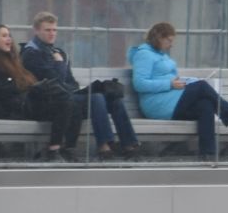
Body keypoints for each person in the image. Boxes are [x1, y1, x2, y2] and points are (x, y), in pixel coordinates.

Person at [129, 22, 228, 161]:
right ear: (159, 37)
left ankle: (208, 153)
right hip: (156, 104)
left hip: (170, 100)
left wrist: (186, 81)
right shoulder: (144, 55)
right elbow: (139, 84)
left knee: (205, 105)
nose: (171, 44)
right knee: (202, 86)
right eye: (169, 40)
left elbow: (171, 79)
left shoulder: (161, 54)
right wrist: (169, 84)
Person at [21, 13, 141, 161]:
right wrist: (59, 64)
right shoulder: (31, 53)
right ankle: (104, 147)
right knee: (96, 99)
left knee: (112, 97)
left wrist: (77, 89)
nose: (52, 34)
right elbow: (52, 80)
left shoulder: (58, 52)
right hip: (51, 101)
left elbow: (70, 81)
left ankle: (129, 146)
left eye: (54, 30)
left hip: (68, 95)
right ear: (36, 30)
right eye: (47, 30)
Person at [0, 24, 82, 161]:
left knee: (71, 103)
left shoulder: (14, 60)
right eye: (4, 36)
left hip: (27, 104)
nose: (9, 39)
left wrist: (31, 86)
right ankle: (53, 150)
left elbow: (28, 81)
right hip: (12, 109)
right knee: (64, 100)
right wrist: (25, 85)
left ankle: (66, 148)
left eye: (9, 35)